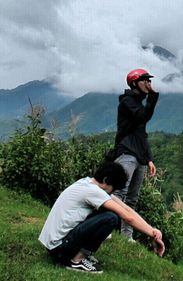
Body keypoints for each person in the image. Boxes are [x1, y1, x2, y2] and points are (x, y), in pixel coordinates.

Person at [38, 162, 165, 274]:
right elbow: (127, 217)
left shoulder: (87, 183)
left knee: (108, 211)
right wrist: (151, 234)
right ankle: (76, 260)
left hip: (53, 245)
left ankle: (77, 254)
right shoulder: (94, 191)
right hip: (59, 249)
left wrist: (152, 231)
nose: (112, 193)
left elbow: (127, 209)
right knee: (111, 218)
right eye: (113, 189)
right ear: (105, 180)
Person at [112, 68, 159, 241]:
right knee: (118, 193)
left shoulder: (137, 102)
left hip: (138, 156)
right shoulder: (128, 102)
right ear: (134, 84)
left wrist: (149, 159)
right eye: (145, 80)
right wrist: (153, 96)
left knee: (132, 197)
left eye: (149, 80)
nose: (148, 83)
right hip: (126, 153)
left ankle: (127, 236)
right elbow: (143, 117)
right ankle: (107, 229)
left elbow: (141, 134)